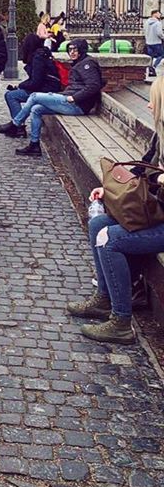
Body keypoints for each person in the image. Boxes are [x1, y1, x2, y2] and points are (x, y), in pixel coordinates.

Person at [67, 77, 164, 344]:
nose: (148, 105)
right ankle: (104, 299)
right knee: (98, 222)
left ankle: (121, 322)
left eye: (153, 100)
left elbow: (154, 179)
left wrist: (158, 180)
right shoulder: (161, 135)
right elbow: (143, 170)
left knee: (109, 239)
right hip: (157, 213)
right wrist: (109, 190)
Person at [10, 38, 104, 157]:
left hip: (78, 105)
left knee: (34, 97)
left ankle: (15, 124)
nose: (72, 52)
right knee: (36, 109)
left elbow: (94, 85)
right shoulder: (80, 63)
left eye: (75, 49)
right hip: (70, 100)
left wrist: (74, 98)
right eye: (70, 49)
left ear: (82, 50)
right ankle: (34, 145)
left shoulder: (87, 63)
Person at [0, 34, 61, 138]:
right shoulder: (42, 54)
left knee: (11, 96)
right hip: (48, 87)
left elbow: (36, 82)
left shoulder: (38, 58)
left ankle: (18, 128)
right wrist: (21, 86)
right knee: (13, 94)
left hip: (46, 90)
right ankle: (18, 126)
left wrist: (21, 85)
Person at [144, 10, 164, 77]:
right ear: (154, 14)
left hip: (148, 42)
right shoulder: (158, 23)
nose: (160, 15)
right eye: (159, 13)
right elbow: (159, 33)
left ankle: (150, 70)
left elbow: (145, 31)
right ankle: (154, 66)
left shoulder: (147, 22)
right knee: (161, 55)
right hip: (156, 42)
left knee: (150, 57)